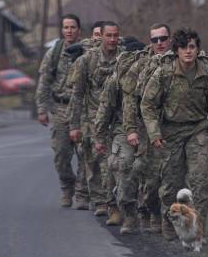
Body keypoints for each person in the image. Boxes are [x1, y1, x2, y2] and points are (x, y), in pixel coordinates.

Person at [140, 28, 208, 240]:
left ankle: (197, 230)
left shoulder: (207, 73)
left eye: (192, 47)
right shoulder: (164, 72)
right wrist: (154, 133)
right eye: (183, 47)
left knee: (200, 181)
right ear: (176, 50)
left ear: (197, 49)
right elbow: (148, 105)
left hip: (198, 130)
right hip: (171, 131)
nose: (188, 51)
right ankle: (169, 221)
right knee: (171, 183)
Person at [121, 23, 172, 233]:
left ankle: (169, 221)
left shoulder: (181, 60)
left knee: (171, 177)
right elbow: (129, 97)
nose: (159, 43)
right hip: (147, 129)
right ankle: (150, 212)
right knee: (148, 178)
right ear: (149, 41)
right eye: (154, 40)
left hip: (174, 129)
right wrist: (131, 128)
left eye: (163, 38)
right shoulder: (141, 63)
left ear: (170, 39)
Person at [69, 21, 123, 217]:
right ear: (101, 36)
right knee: (94, 160)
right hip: (93, 118)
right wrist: (74, 125)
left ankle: (114, 201)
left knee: (115, 162)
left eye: (115, 36)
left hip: (118, 118)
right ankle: (101, 201)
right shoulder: (86, 60)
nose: (112, 40)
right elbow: (77, 95)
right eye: (108, 35)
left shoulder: (124, 58)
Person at [94, 37, 146, 233]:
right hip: (122, 130)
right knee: (123, 170)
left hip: (151, 131)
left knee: (152, 176)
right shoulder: (116, 79)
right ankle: (129, 216)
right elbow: (105, 108)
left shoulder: (154, 75)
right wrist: (99, 137)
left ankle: (153, 215)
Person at [34, 14, 82, 208]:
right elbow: (44, 81)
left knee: (86, 155)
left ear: (78, 30)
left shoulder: (86, 52)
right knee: (61, 155)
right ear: (62, 30)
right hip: (60, 108)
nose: (69, 31)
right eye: (66, 27)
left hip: (83, 110)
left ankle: (81, 192)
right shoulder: (54, 53)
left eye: (73, 27)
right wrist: (42, 108)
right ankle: (67, 186)